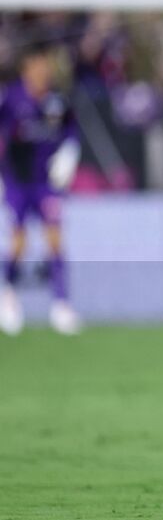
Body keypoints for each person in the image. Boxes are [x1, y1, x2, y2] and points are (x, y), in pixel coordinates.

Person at [0, 45, 82, 336]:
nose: (42, 71)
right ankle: (8, 295)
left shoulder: (57, 100)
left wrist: (69, 155)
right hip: (17, 180)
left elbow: (72, 132)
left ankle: (61, 304)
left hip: (46, 182)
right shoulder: (11, 98)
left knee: (55, 240)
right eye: (37, 66)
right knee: (19, 241)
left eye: (45, 66)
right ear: (26, 68)